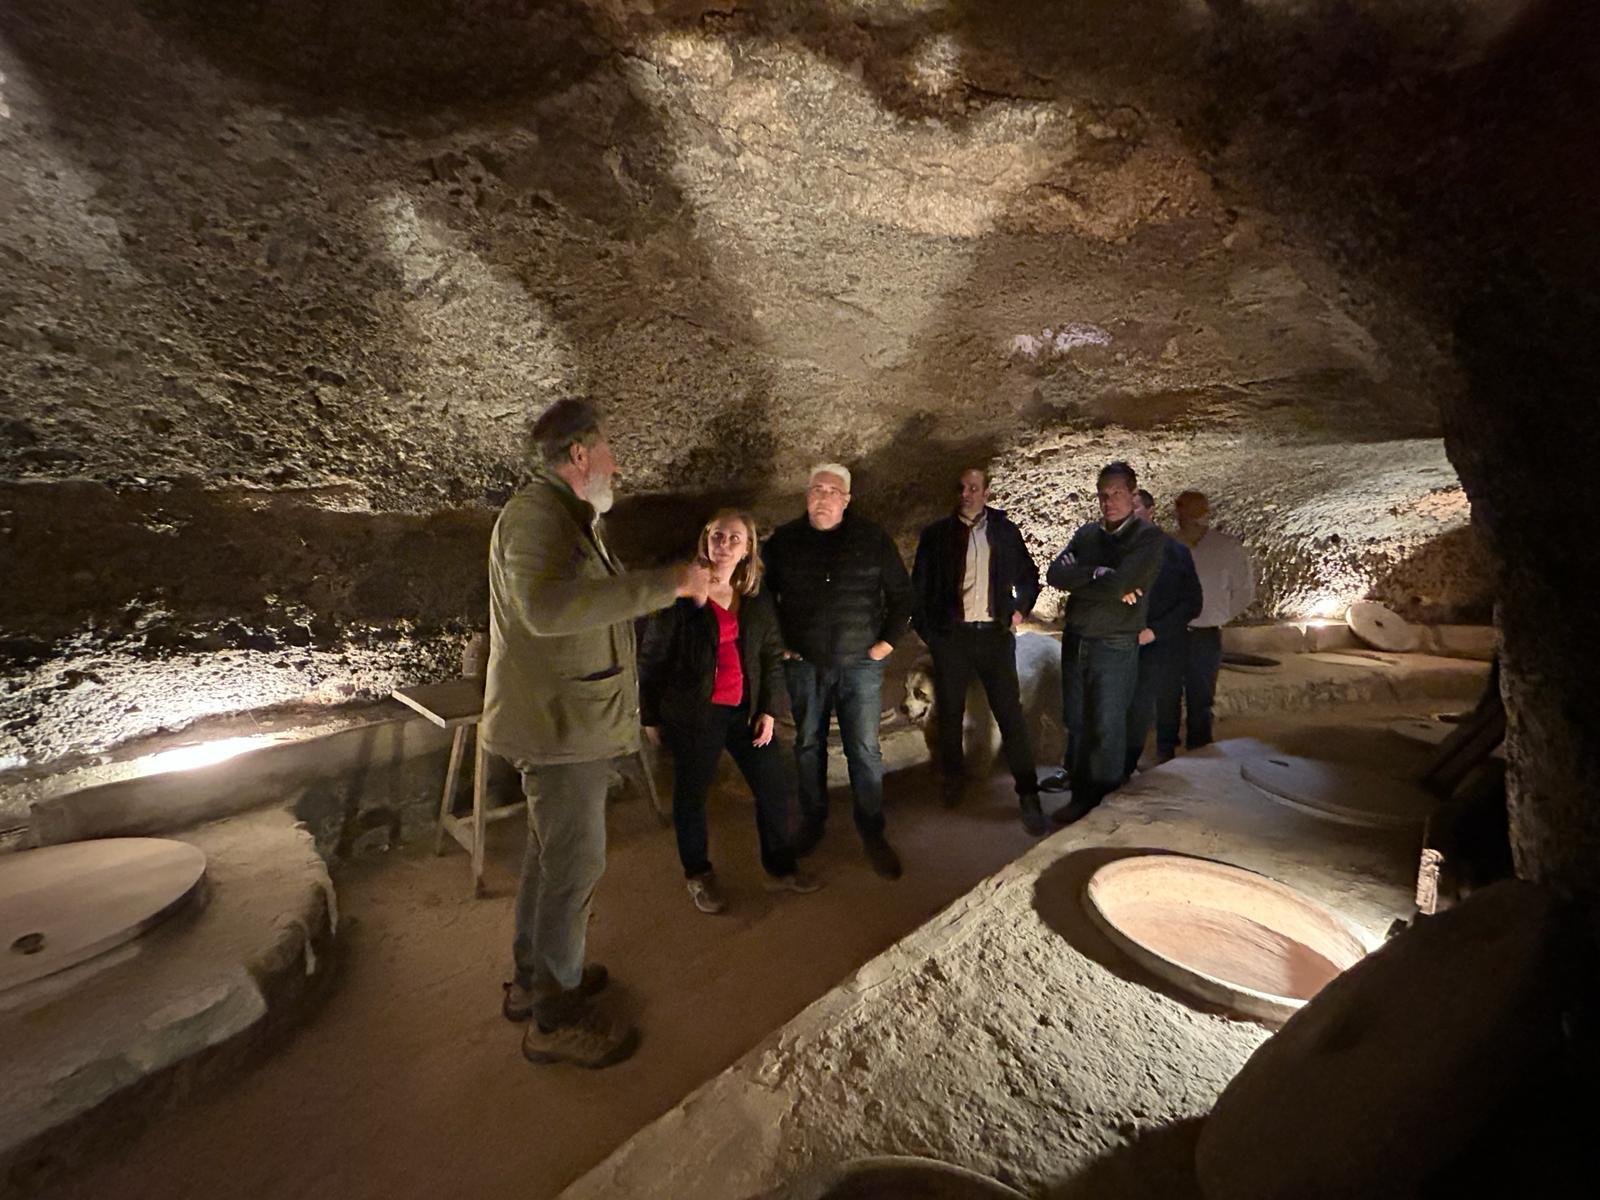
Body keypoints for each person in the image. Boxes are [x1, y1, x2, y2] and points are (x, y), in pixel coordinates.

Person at [483, 397, 711, 1069]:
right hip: (558, 729)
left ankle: (535, 980)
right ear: (579, 455)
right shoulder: (535, 518)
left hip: (564, 718)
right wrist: (668, 584)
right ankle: (554, 1019)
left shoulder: (566, 517)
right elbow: (548, 610)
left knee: (548, 856)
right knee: (574, 866)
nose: (617, 461)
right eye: (608, 448)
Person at [640, 510, 821, 913]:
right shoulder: (680, 593)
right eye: (717, 536)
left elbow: (772, 654)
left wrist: (770, 709)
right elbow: (653, 656)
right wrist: (649, 713)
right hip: (696, 714)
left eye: (734, 539)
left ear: (747, 550)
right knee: (691, 797)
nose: (724, 545)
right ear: (705, 539)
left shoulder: (754, 598)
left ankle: (778, 868)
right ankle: (698, 875)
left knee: (773, 788)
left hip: (746, 709)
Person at [762, 463, 913, 880]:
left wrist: (885, 644)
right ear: (806, 495)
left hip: (859, 666)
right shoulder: (784, 542)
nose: (823, 497)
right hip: (804, 664)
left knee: (863, 750)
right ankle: (813, 821)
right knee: (808, 746)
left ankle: (871, 830)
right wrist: (781, 644)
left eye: (832, 491)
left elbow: (902, 595)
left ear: (846, 500)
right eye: (816, 489)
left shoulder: (872, 540)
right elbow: (762, 598)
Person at [910, 467, 1048, 835]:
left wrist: (1021, 608)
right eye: (962, 487)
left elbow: (1028, 575)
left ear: (986, 492)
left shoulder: (1003, 532)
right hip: (952, 637)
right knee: (951, 712)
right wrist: (931, 634)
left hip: (993, 635)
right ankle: (953, 779)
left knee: (1009, 713)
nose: (967, 494)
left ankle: (1028, 793)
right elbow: (918, 589)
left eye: (974, 487)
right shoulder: (937, 536)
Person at [1043, 461, 1165, 825]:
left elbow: (1121, 582)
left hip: (1113, 645)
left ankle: (1103, 805)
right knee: (1078, 722)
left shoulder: (1147, 538)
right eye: (1103, 495)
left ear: (1132, 494)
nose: (1109, 501)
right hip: (1077, 640)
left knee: (1107, 726)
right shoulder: (1087, 535)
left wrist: (1084, 582)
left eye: (1116, 493)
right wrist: (1097, 574)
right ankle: (1081, 798)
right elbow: (1054, 574)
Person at [1123, 488, 1203, 777]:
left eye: (1136, 508)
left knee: (1166, 699)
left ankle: (1164, 760)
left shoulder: (1175, 552)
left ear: (1150, 510)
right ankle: (1125, 763)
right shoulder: (1116, 550)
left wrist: (1156, 631)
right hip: (1126, 641)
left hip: (1165, 643)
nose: (1130, 515)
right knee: (1128, 703)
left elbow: (1193, 603)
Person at [1174, 490, 1256, 752]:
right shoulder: (1167, 545)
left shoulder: (1226, 548)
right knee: (1167, 694)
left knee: (1201, 698)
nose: (1191, 517)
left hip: (1205, 633)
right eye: (1186, 510)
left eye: (1196, 511)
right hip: (1171, 632)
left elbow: (1244, 591)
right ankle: (1167, 749)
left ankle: (1199, 749)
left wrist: (1217, 614)